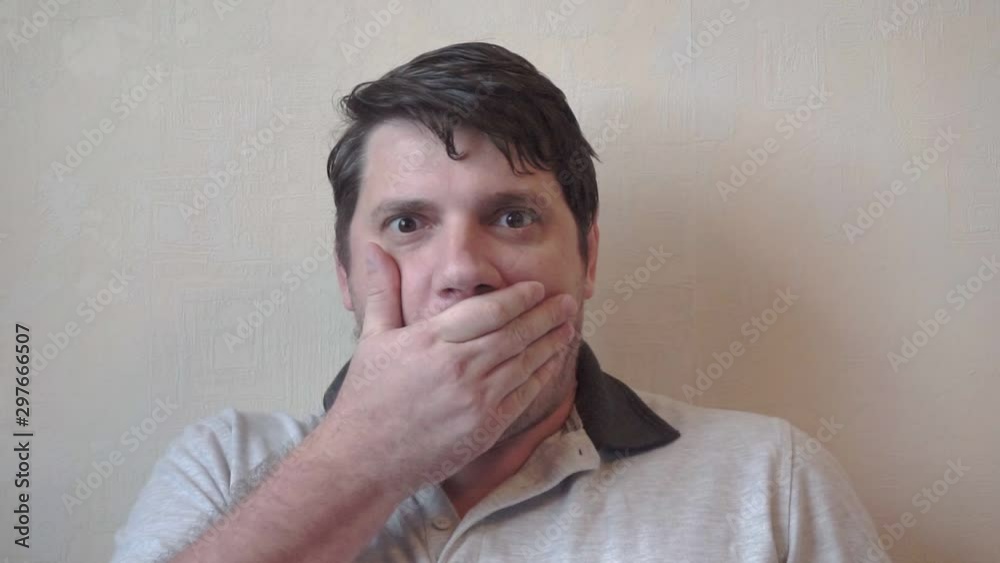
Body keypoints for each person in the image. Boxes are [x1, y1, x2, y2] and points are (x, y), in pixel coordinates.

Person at [111, 41, 890, 563]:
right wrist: (362, 458)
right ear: (347, 274)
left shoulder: (769, 480)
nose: (462, 270)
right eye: (408, 224)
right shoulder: (221, 464)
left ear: (587, 257)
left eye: (513, 217)